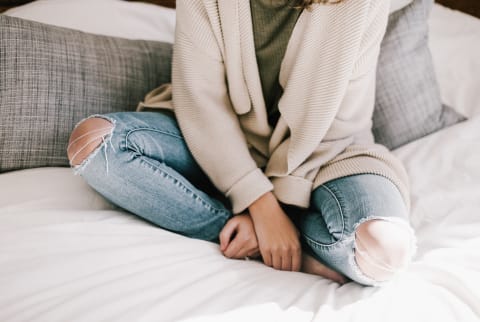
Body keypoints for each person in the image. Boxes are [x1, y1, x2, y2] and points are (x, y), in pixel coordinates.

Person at [67, 0, 416, 286]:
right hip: (215, 143)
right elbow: (201, 101)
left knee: (386, 250)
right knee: (95, 143)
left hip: (326, 155)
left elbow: (339, 121)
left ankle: (280, 237)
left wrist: (277, 210)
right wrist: (258, 204)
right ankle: (247, 235)